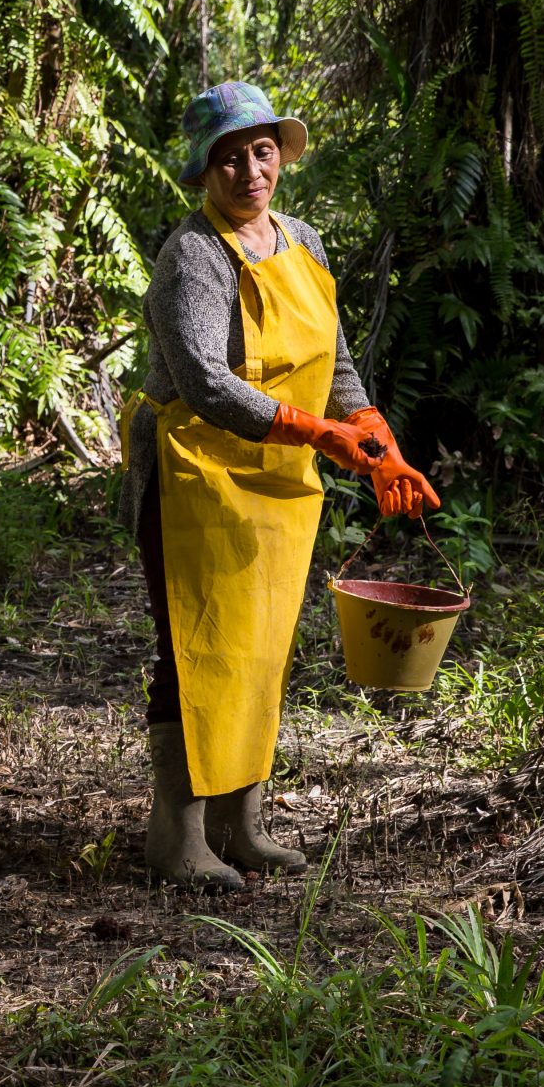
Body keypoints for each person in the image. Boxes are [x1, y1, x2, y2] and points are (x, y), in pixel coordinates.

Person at [118, 82, 439, 890]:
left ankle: (238, 825)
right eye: (230, 157)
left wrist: (374, 436)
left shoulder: (303, 241)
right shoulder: (192, 253)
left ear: (280, 158)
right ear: (204, 171)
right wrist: (324, 434)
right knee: (198, 648)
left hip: (277, 478)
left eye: (262, 151)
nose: (250, 170)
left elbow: (337, 365)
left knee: (262, 647)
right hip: (193, 471)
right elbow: (203, 383)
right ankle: (177, 836)